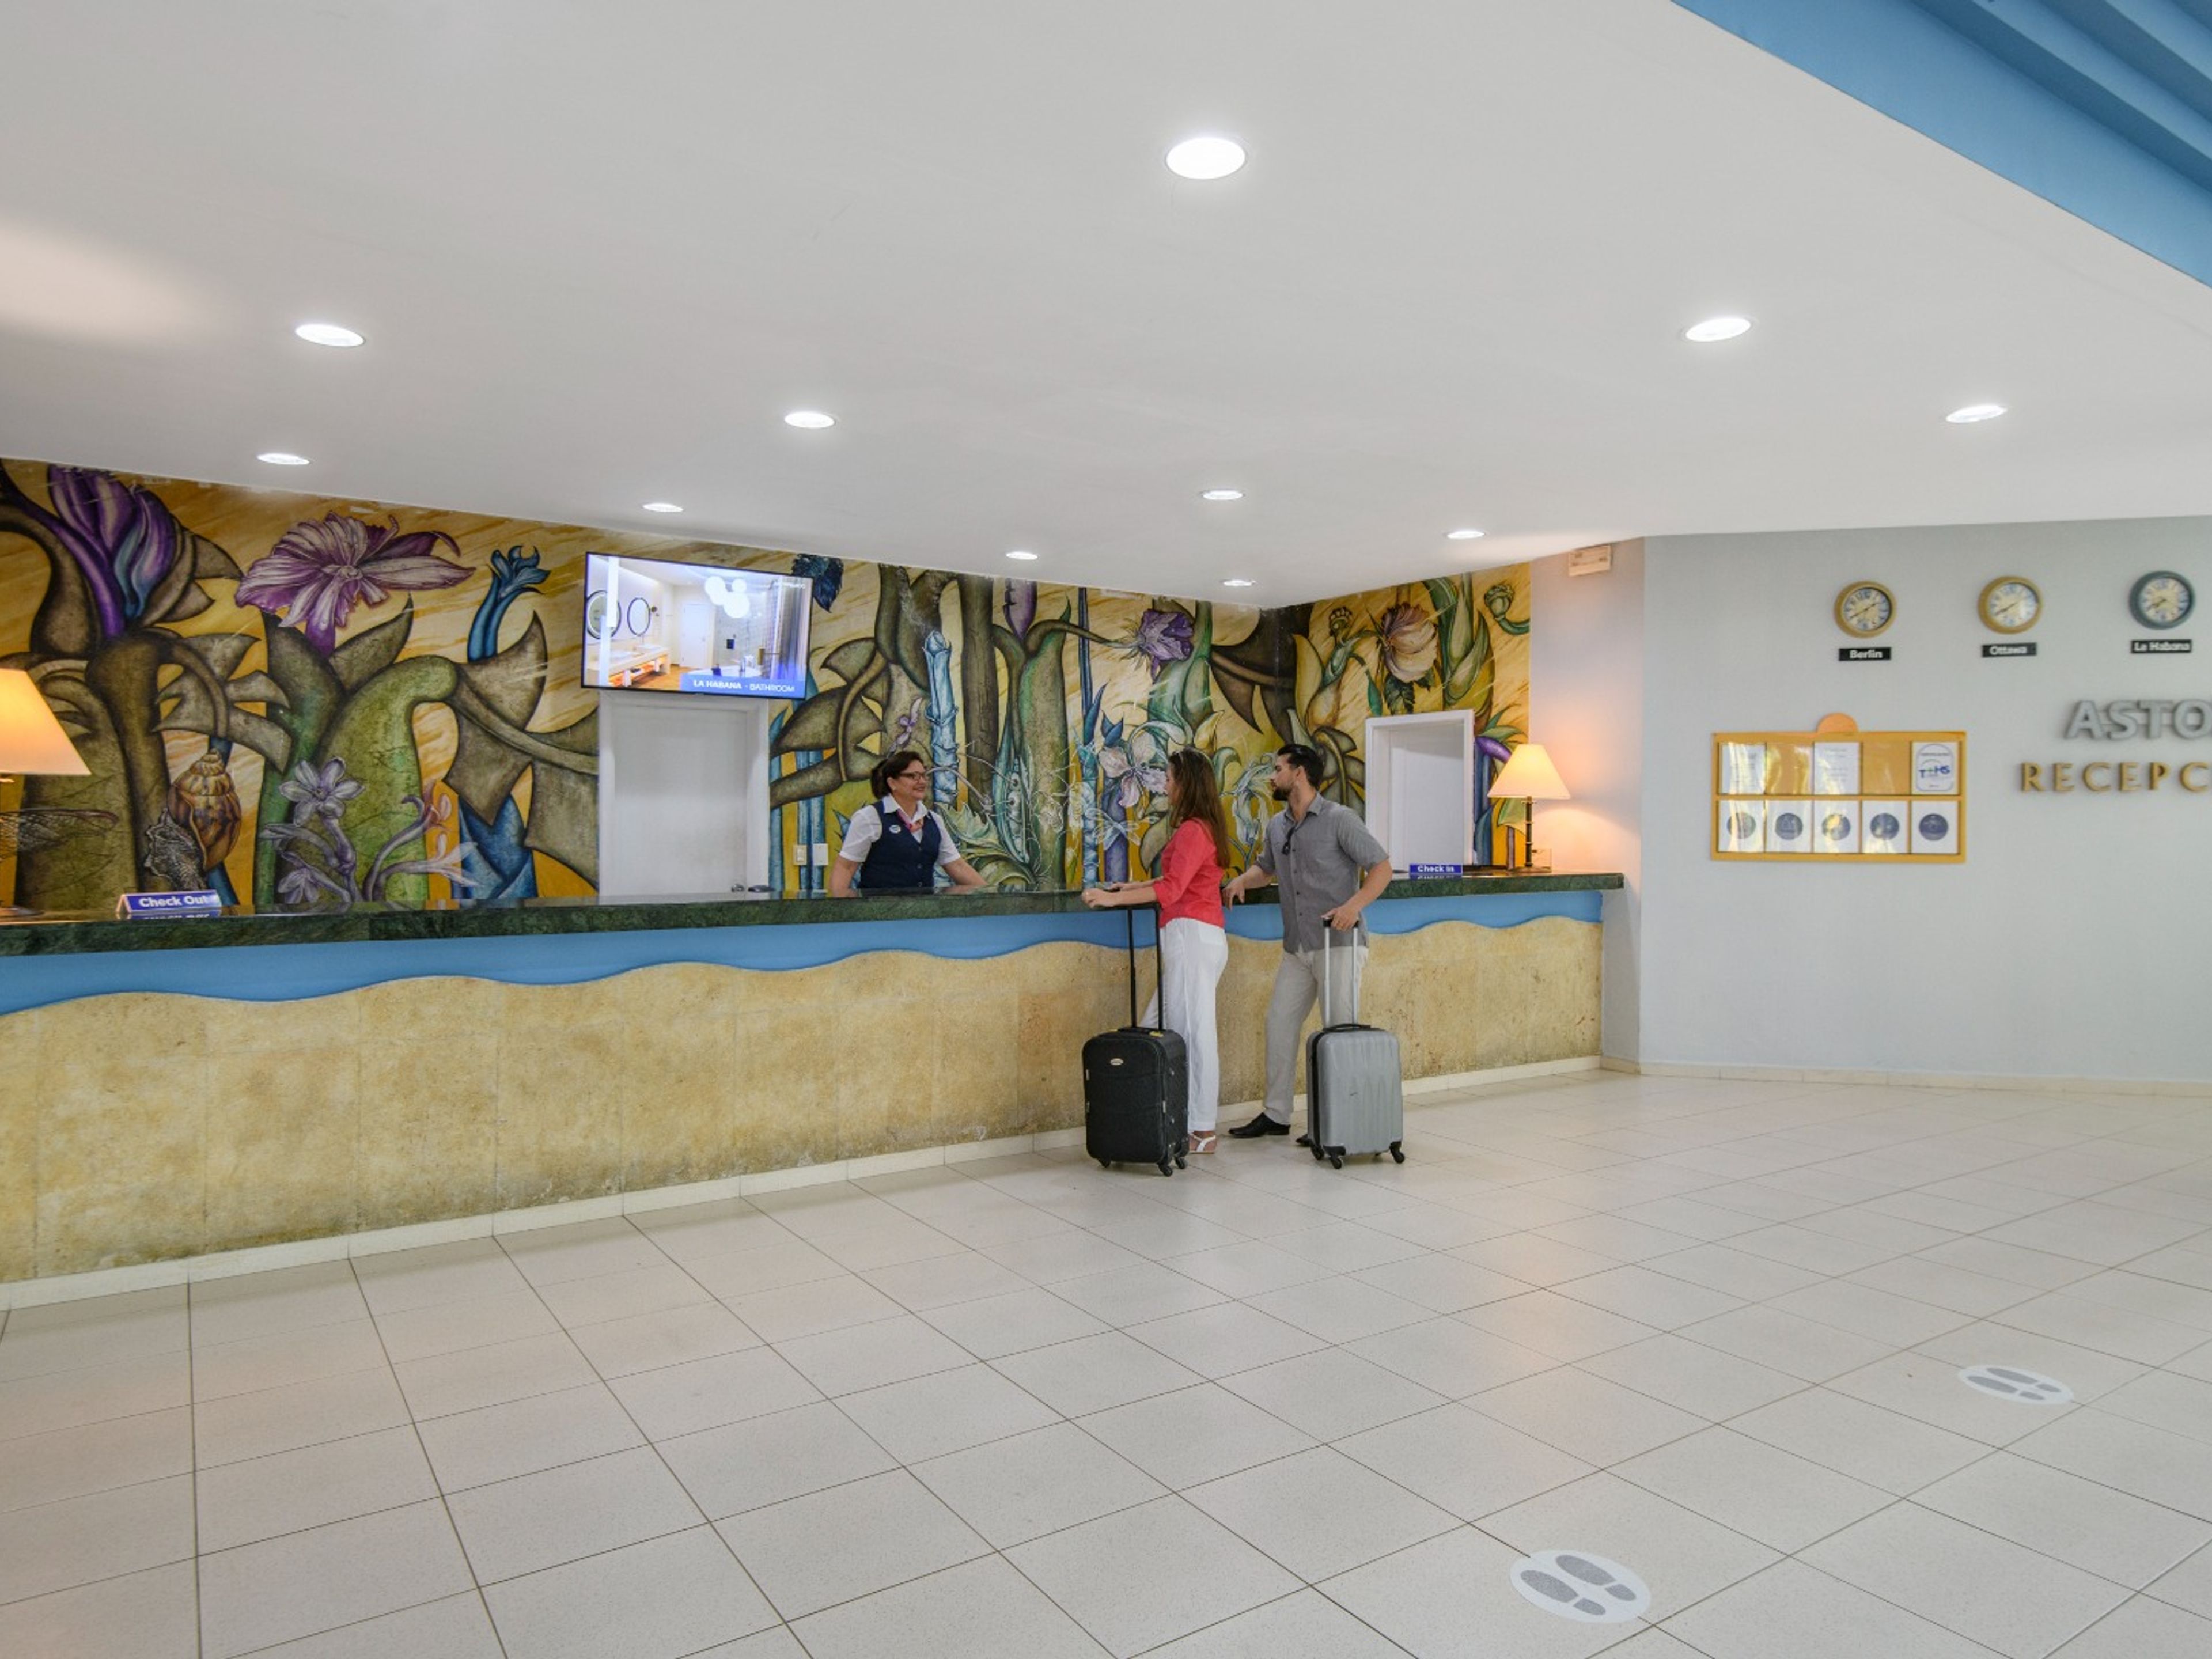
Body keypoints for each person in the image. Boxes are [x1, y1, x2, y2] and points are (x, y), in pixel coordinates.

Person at [1222, 743, 1392, 1141]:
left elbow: (1381, 868)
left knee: (1337, 1034)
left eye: (1278, 768)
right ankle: (1277, 1115)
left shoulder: (1340, 819)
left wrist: (1354, 905)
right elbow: (1266, 869)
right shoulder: (1279, 825)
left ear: (1299, 773)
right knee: (1278, 1023)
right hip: (1297, 946)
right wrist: (1241, 881)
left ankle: (1339, 1123)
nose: (1272, 776)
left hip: (1339, 945)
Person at [1082, 749, 1232, 1153]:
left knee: (1195, 1034)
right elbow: (1174, 880)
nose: (1165, 784)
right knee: (1157, 1026)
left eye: (1169, 777)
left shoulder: (1192, 831)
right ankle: (1166, 1117)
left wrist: (1110, 900)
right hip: (1194, 937)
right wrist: (1126, 889)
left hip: (1192, 939)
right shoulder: (1200, 828)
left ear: (1186, 783)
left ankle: (1202, 1129)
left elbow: (1170, 890)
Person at [829, 750, 988, 895]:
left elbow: (957, 866)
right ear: (892, 783)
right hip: (879, 917)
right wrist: (841, 907)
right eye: (913, 776)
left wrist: (988, 895)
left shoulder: (934, 820)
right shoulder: (869, 818)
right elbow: (846, 866)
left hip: (923, 915)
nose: (922, 782)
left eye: (924, 775)